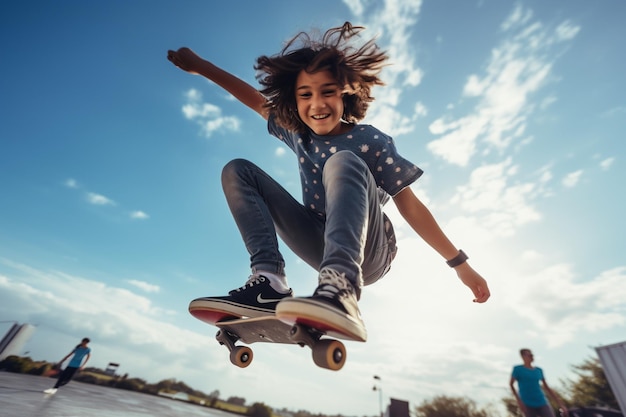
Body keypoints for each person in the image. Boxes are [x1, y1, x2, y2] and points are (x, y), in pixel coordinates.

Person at [167, 22, 490, 341]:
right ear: (294, 101)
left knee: (343, 160)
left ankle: (342, 289)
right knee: (238, 170)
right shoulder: (298, 133)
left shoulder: (371, 141)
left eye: (327, 92)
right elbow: (255, 100)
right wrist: (202, 67)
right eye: (305, 95)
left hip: (369, 253)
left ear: (344, 94)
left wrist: (459, 264)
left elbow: (411, 206)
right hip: (318, 240)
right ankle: (269, 282)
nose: (317, 105)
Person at [510, 348, 568, 417]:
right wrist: (519, 401)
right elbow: (511, 384)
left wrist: (560, 404)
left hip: (541, 401)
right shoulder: (518, 369)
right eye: (529, 355)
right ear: (523, 357)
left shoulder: (539, 370)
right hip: (527, 403)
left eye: (532, 355)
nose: (532, 357)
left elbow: (547, 387)